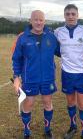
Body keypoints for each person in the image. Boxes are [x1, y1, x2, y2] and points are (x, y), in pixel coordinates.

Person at [12, 10, 59, 139]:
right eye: (36, 19)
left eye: (41, 20)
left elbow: (63, 52)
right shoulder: (23, 37)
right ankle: (26, 131)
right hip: (30, 78)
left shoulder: (52, 36)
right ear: (30, 21)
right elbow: (17, 59)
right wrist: (16, 77)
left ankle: (47, 129)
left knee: (47, 102)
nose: (38, 22)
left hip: (48, 77)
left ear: (44, 21)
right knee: (29, 103)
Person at [54, 4, 83, 139]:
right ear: (64, 15)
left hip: (82, 73)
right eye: (68, 14)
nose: (70, 16)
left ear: (77, 15)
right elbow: (56, 50)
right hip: (66, 73)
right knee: (71, 103)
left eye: (73, 14)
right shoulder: (58, 31)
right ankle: (73, 126)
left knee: (82, 104)